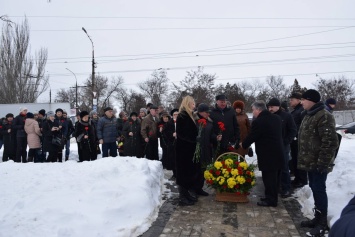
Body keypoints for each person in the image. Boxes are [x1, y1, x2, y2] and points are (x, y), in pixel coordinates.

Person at [298, 89, 339, 236]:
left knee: (319, 190)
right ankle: (317, 218)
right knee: (315, 188)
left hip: (319, 163)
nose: (301, 102)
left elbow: (330, 142)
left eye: (303, 100)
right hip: (311, 162)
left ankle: (322, 223)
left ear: (311, 100)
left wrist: (322, 162)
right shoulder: (310, 115)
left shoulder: (324, 116)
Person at [241, 100, 284, 207]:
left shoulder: (259, 121)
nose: (253, 112)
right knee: (274, 178)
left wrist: (244, 144)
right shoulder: (277, 118)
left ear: (258, 109)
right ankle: (271, 196)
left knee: (268, 177)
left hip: (267, 154)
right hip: (278, 152)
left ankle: (271, 200)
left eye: (253, 110)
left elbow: (253, 136)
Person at [267, 97, 297, 198]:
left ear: (278, 106)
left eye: (272, 107)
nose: (270, 109)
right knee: (273, 167)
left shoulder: (286, 116)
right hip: (271, 146)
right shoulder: (268, 116)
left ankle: (286, 188)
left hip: (283, 146)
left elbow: (293, 130)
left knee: (284, 167)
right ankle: (275, 186)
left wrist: (286, 141)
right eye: (269, 107)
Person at [176, 96, 199, 206]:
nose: (194, 106)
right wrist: (193, 140)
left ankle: (186, 194)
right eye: (193, 104)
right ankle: (182, 196)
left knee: (188, 172)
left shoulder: (190, 115)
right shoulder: (182, 116)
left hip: (189, 149)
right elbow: (181, 134)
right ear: (188, 103)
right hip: (183, 149)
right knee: (183, 172)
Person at [194, 103, 221, 196]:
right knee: (195, 170)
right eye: (207, 112)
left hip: (206, 149)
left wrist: (216, 137)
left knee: (203, 169)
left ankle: (199, 188)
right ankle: (192, 188)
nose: (208, 114)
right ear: (200, 112)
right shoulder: (194, 121)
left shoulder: (209, 122)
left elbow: (211, 135)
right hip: (195, 150)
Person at [289, 92, 307, 188]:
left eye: (292, 100)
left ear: (299, 100)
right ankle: (297, 178)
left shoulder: (301, 111)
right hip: (294, 139)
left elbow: (302, 125)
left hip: (299, 140)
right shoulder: (295, 111)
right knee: (295, 159)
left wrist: (294, 129)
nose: (290, 102)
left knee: (299, 160)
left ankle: (302, 180)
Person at [164, 109, 179, 177]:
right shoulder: (168, 123)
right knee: (173, 158)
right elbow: (165, 133)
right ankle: (174, 173)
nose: (176, 116)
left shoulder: (183, 122)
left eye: (177, 114)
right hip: (172, 143)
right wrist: (171, 135)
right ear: (172, 116)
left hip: (180, 143)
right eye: (174, 115)